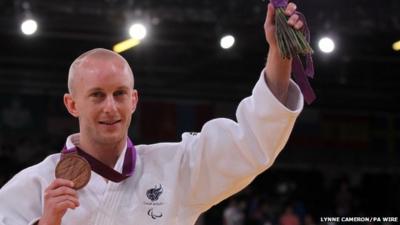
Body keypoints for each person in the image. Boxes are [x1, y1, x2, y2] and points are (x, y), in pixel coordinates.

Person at [0, 2, 306, 225]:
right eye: (97, 95)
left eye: (120, 94)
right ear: (72, 104)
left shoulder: (176, 168)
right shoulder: (35, 185)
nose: (111, 107)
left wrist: (279, 57)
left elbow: (250, 143)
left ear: (133, 100)